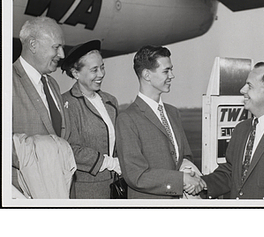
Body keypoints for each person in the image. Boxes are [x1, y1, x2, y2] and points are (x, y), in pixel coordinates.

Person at [116, 45, 202, 199]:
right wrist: (180, 180)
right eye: (166, 71)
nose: (172, 75)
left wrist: (189, 172)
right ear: (147, 75)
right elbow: (136, 176)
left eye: (171, 69)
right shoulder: (127, 119)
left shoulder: (173, 113)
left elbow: (185, 156)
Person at [200, 62, 264, 199]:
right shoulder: (241, 129)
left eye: (249, 85)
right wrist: (201, 182)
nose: (242, 90)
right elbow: (231, 173)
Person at [13, 16, 76, 199]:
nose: (62, 55)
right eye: (56, 47)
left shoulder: (53, 84)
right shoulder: (7, 80)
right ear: (33, 45)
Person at [61, 40, 121, 199]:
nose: (101, 74)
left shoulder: (110, 101)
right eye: (94, 70)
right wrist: (109, 163)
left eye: (102, 67)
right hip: (85, 191)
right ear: (76, 73)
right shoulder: (66, 104)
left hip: (115, 187)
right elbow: (69, 149)